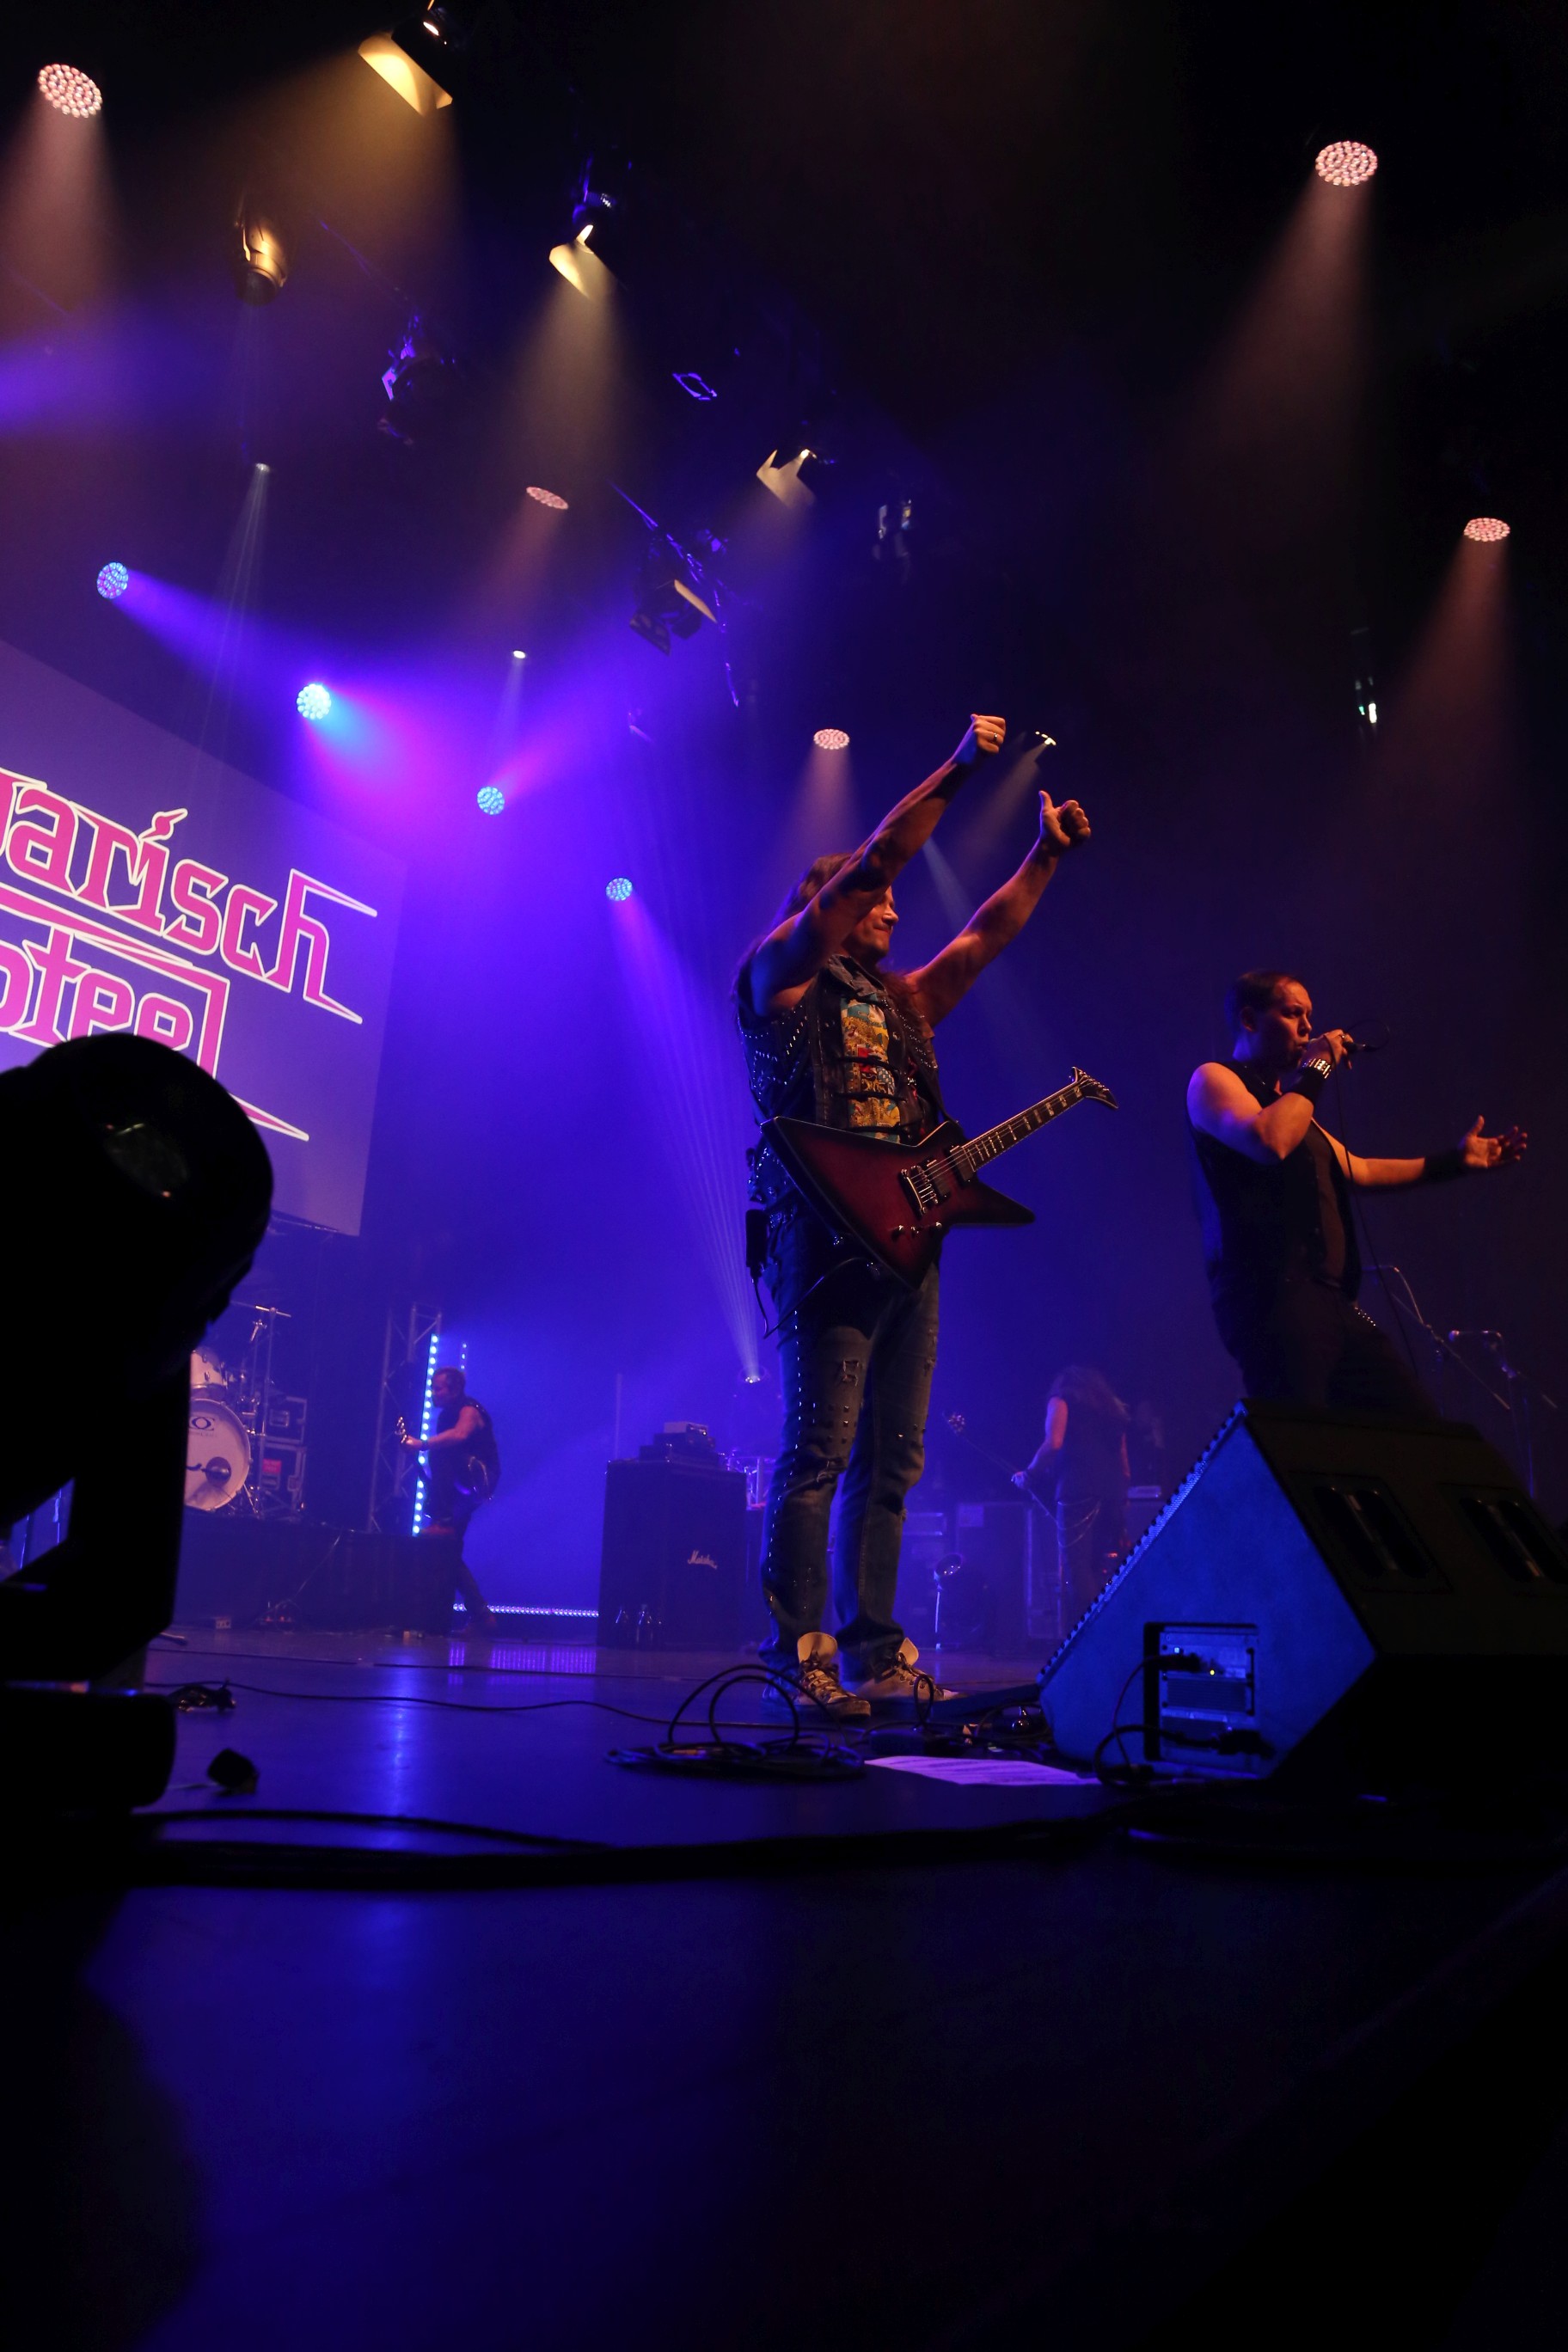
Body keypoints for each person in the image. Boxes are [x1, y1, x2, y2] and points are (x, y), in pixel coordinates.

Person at [738, 713, 1093, 1718]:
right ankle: (794, 1655)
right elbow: (878, 858)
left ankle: (872, 1654)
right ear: (831, 905)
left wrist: (1043, 857)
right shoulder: (780, 979)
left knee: (893, 1460)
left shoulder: (901, 1003)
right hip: (823, 1248)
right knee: (819, 1450)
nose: (894, 905)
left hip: (910, 1252)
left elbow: (982, 941)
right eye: (875, 896)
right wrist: (960, 767)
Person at [1187, 971, 1527, 1413]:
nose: (1308, 1028)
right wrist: (1317, 1068)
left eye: (1310, 1016)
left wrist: (1454, 1162)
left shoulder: (1292, 1108)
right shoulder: (1213, 1079)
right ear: (1249, 1020)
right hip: (1272, 1299)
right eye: (1293, 1014)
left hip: (1332, 1301)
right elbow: (1269, 1142)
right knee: (1305, 1437)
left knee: (1415, 1423)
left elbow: (1358, 1169)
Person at [1014, 1366, 1130, 1624]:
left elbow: (1053, 1443)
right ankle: (1110, 1626)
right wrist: (1122, 1495)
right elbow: (1124, 1462)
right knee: (1101, 1566)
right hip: (1112, 1494)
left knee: (1077, 1568)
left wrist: (1029, 1475)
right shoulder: (1113, 1410)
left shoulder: (1061, 1401)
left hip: (1078, 1492)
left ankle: (1087, 1632)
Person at [402, 1364, 501, 1633]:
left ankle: (443, 1520)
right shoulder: (445, 1416)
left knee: (442, 1448)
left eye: (439, 1389)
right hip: (460, 1487)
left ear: (454, 1389)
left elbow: (460, 1436)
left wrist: (423, 1445)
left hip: (479, 1476)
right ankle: (481, 1614)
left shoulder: (469, 1410)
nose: (434, 1393)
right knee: (447, 1551)